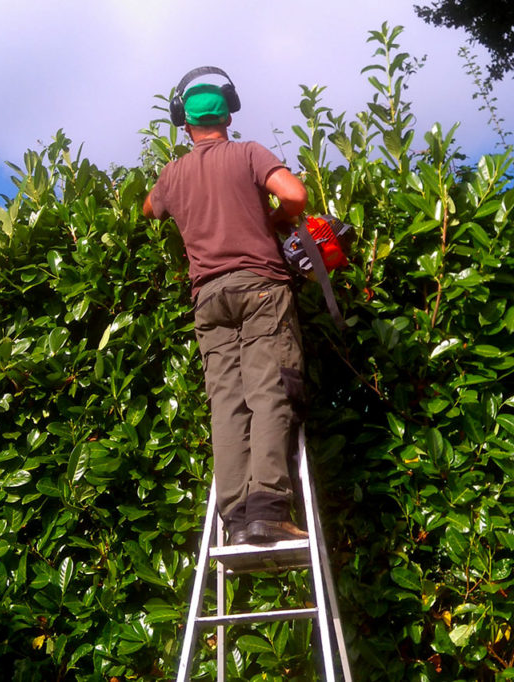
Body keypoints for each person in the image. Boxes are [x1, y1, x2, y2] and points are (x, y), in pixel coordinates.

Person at [142, 71, 309, 545]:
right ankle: (268, 509)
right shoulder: (249, 152)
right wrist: (270, 219)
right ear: (229, 114)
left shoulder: (172, 174)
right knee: (269, 392)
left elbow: (148, 209)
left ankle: (235, 517)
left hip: (208, 298)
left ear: (183, 123)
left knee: (227, 403)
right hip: (260, 287)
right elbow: (294, 195)